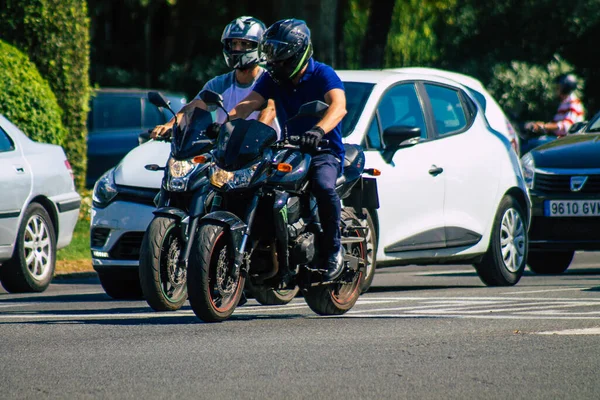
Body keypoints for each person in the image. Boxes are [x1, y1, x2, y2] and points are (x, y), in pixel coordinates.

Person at [228, 18, 347, 280]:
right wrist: (226, 124)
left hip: (323, 149)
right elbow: (249, 103)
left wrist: (318, 130)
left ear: (297, 53)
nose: (273, 63)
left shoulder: (323, 74)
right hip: (289, 149)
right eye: (270, 55)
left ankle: (333, 250)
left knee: (324, 186)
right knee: (255, 186)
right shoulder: (273, 79)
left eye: (279, 57)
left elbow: (339, 106)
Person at [151, 16, 279, 139]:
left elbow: (269, 111)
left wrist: (254, 136)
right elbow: (194, 107)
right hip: (227, 152)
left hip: (265, 153)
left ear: (260, 47)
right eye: (233, 44)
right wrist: (170, 125)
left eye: (244, 44)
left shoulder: (269, 80)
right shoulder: (220, 84)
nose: (237, 49)